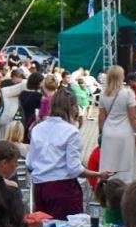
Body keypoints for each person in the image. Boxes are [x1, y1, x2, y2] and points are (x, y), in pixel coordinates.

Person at [27, 88, 99, 219]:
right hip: (62, 188)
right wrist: (97, 174)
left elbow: (30, 163)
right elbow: (74, 168)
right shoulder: (71, 132)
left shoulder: (37, 129)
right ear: (72, 107)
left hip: (39, 187)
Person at [97, 66, 136, 183]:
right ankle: (125, 186)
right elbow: (133, 117)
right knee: (126, 164)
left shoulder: (103, 94)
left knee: (109, 161)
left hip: (108, 132)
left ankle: (108, 185)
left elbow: (101, 117)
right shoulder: (128, 93)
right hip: (125, 132)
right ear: (122, 77)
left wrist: (101, 132)